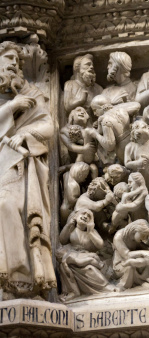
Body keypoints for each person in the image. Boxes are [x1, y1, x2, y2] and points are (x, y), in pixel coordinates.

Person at [0, 41, 56, 297]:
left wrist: (25, 135)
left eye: (17, 61)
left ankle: (21, 278)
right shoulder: (15, 101)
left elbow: (49, 126)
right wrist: (12, 107)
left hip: (22, 166)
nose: (13, 64)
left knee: (12, 208)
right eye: (8, 58)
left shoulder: (32, 93)